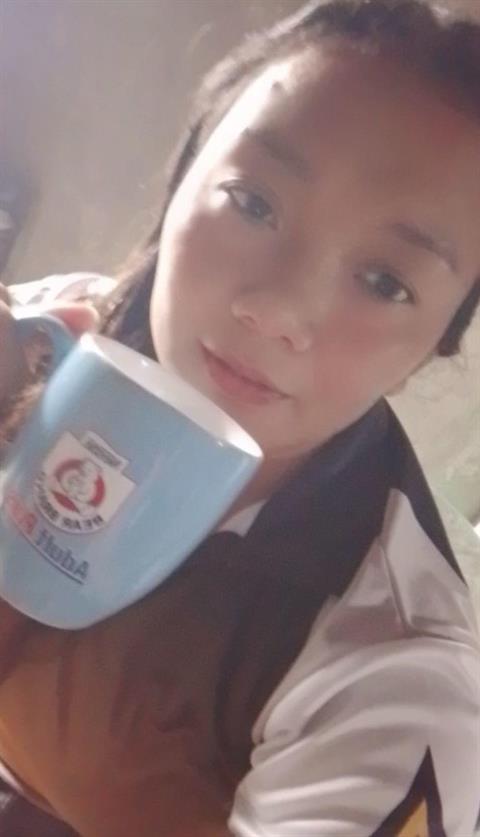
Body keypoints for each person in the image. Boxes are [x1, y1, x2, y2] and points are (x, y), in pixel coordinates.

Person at [0, 0, 479, 834]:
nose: (278, 309)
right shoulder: (50, 332)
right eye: (253, 202)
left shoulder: (392, 677)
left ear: (435, 343)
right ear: (182, 175)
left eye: (385, 282)